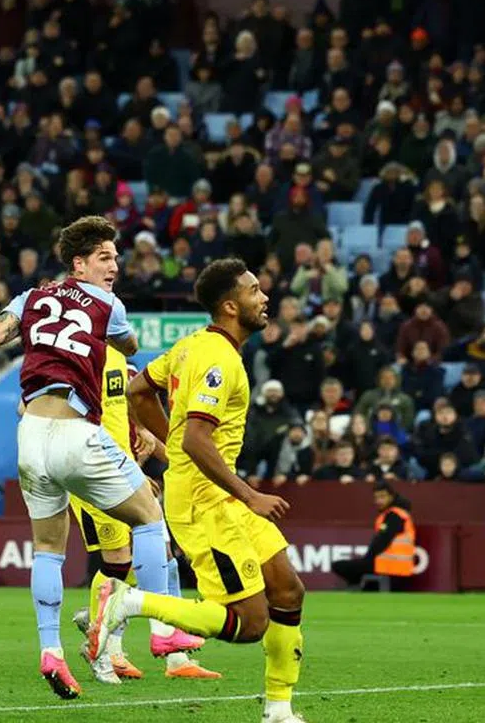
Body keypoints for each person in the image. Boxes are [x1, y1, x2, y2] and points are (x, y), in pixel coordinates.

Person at [0, 216, 175, 700]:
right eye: (106, 258)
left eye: (116, 258)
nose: (115, 267)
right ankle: (165, 628)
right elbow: (130, 345)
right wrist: (112, 337)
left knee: (48, 549)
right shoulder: (108, 303)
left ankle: (51, 650)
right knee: (148, 511)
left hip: (30, 436)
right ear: (78, 264)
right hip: (74, 430)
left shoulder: (30, 299)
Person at [96, 258, 307, 723]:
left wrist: (172, 448)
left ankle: (279, 708)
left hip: (216, 490)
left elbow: (138, 390)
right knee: (250, 623)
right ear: (231, 306)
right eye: (254, 291)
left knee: (287, 590)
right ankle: (129, 602)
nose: (264, 297)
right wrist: (250, 494)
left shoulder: (193, 346)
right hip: (204, 500)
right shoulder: (217, 359)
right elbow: (196, 437)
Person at [67, 348, 219, 683]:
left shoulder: (125, 375)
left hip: (129, 479)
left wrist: (187, 462)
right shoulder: (82, 368)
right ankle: (105, 640)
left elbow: (151, 433)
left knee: (165, 561)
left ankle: (174, 655)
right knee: (119, 564)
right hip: (100, 478)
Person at [330, 479, 416, 589]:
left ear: (392, 497)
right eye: (376, 497)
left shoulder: (395, 515)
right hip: (396, 569)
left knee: (339, 566)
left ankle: (357, 587)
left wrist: (367, 559)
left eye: (382, 497)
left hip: (387, 568)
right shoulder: (400, 514)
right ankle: (361, 586)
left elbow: (382, 541)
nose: (379, 501)